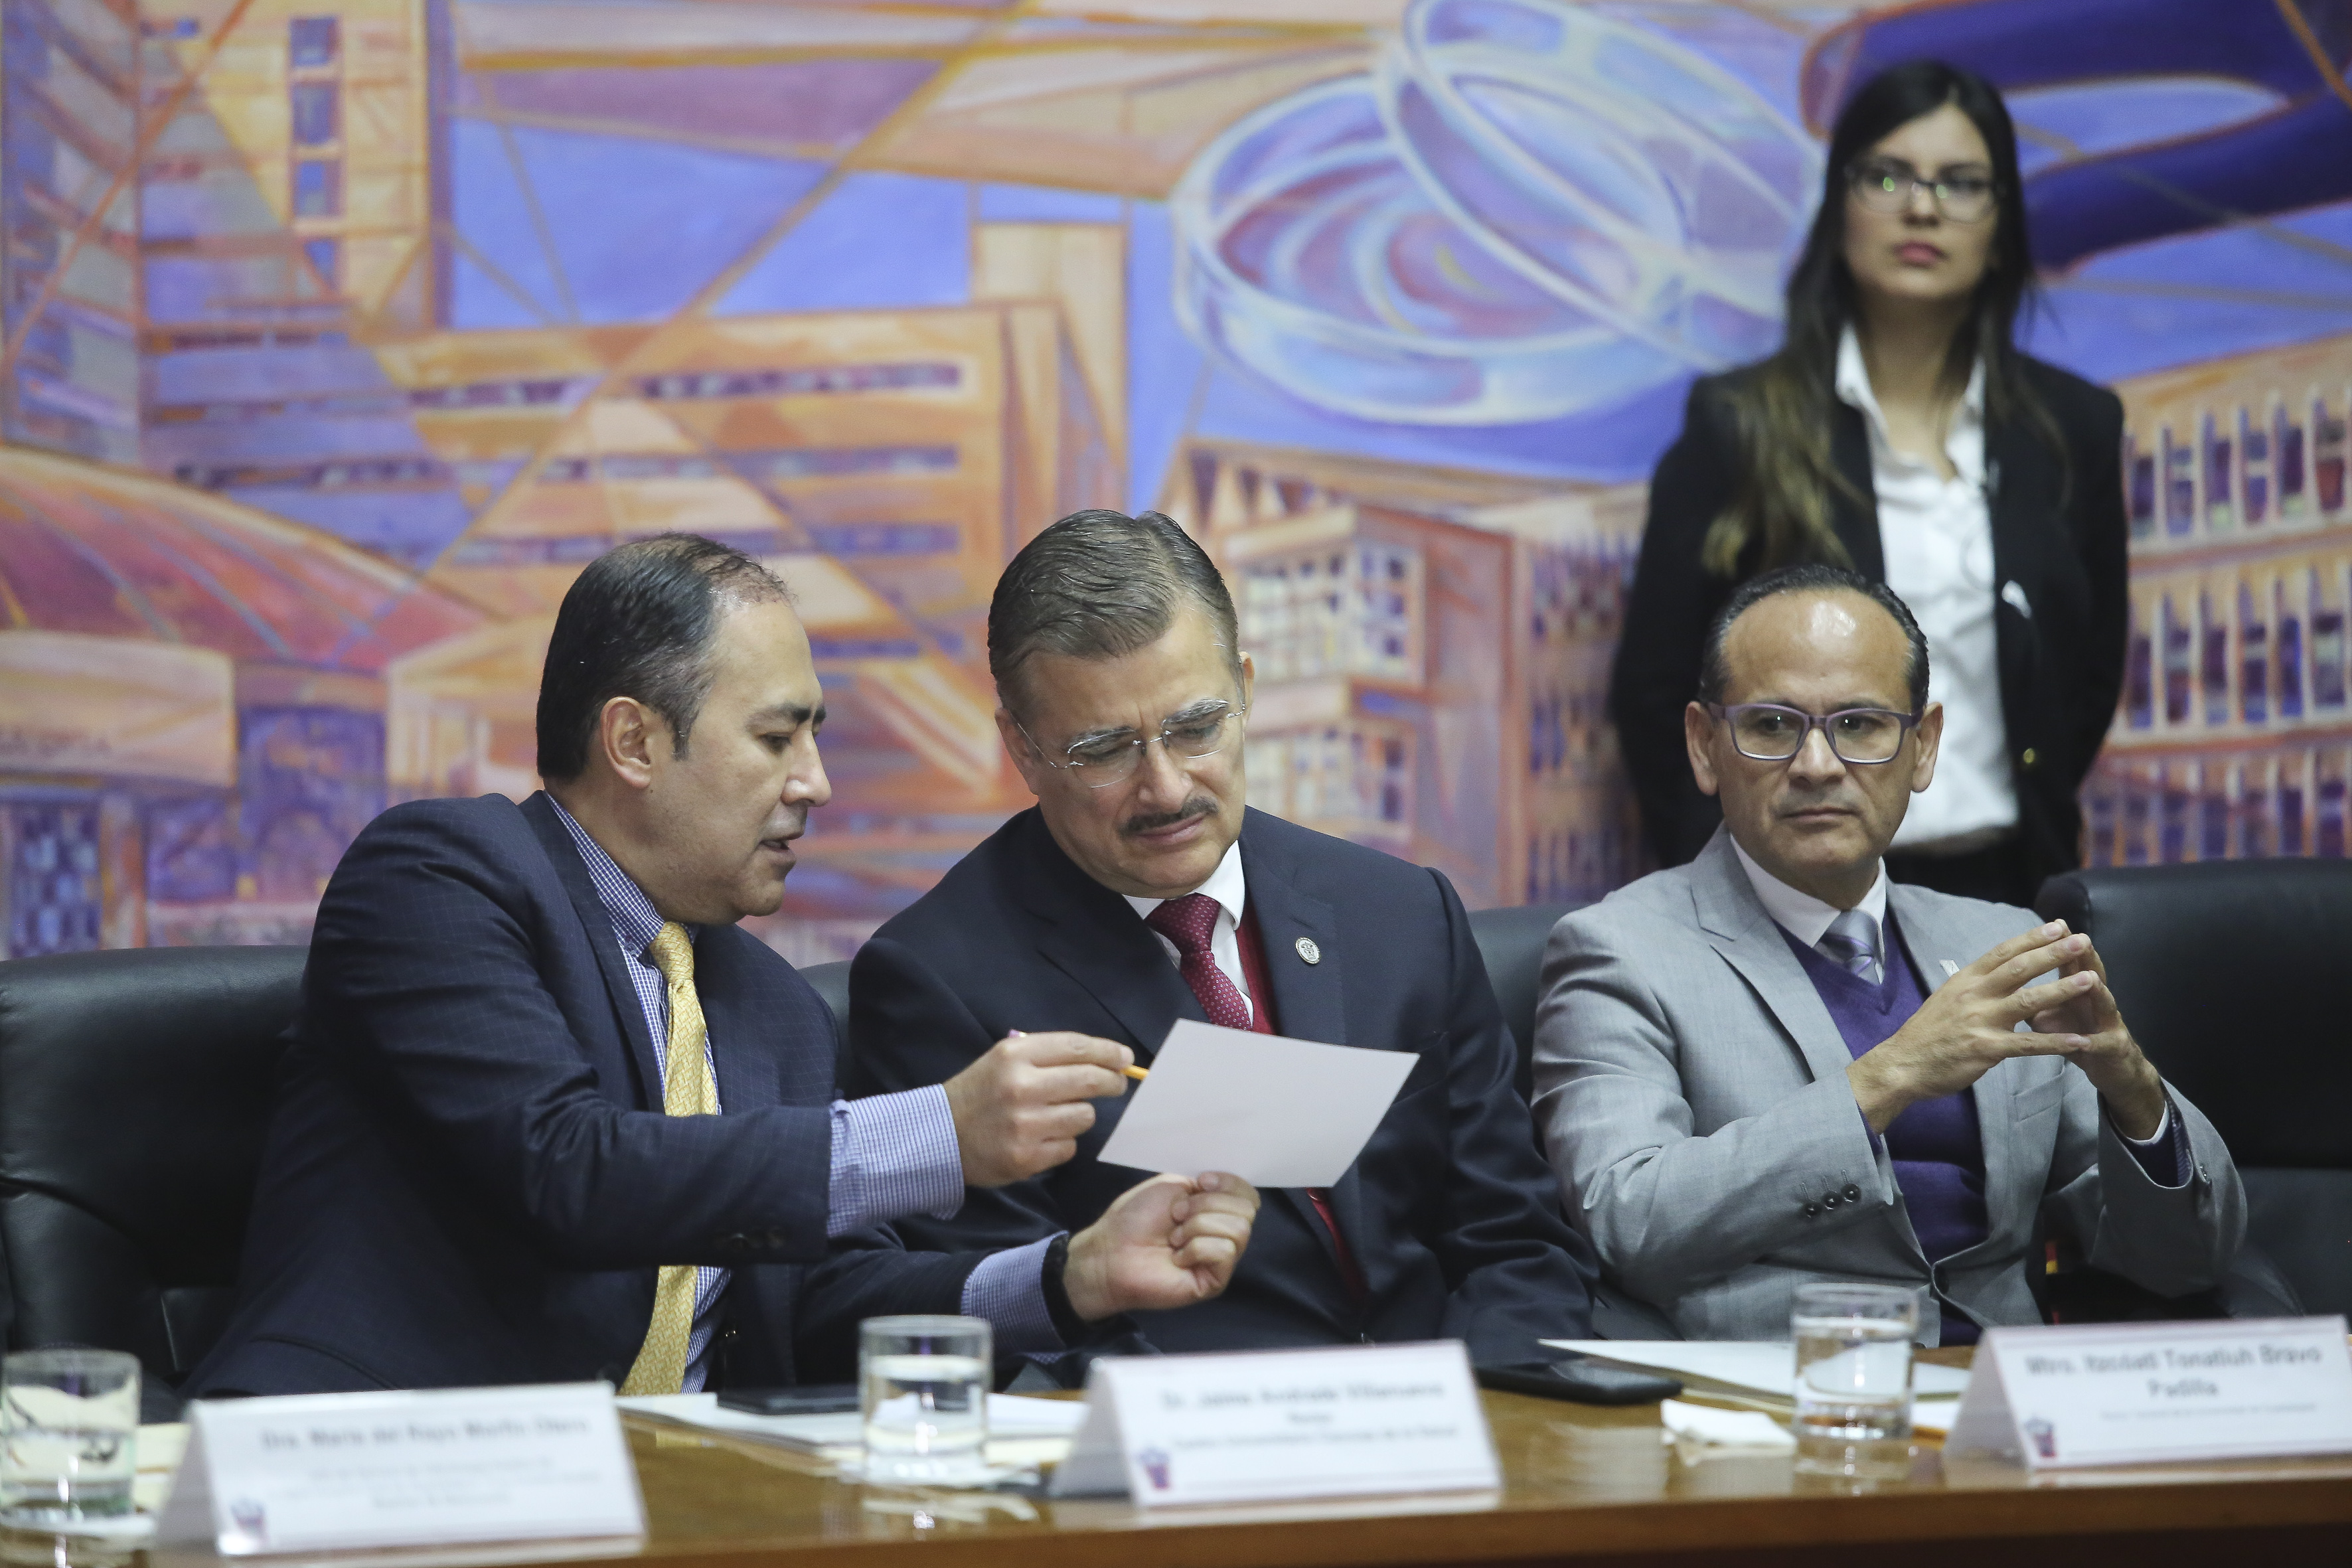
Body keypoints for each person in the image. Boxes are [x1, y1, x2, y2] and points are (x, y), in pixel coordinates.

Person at [189, 534, 1259, 1397]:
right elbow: (566, 1169)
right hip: (378, 1476)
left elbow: (827, 1314)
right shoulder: (442, 877)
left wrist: (1066, 1277)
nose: (817, 782)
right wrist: (939, 1130)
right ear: (635, 742)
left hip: (683, 1509)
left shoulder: (771, 1008)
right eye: (777, 737)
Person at [843, 509, 1598, 1383]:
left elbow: (1514, 1245)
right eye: (1102, 750)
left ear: (1244, 687)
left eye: (1194, 728)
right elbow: (1013, 1323)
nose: (1164, 787)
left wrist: (1485, 1426)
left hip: (1453, 1429)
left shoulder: (1398, 915)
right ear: (1020, 744)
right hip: (1180, 1462)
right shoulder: (940, 981)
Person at [1537, 565, 2241, 1343]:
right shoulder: (1619, 951)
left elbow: (2188, 1260)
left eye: (1860, 724)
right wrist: (1891, 1075)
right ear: (1706, 747)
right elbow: (1627, 1225)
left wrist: (2134, 1090)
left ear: (1923, 747)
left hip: (2005, 1410)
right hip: (1775, 1417)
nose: (1817, 765)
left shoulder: (2001, 946)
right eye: (1772, 726)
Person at [1610, 58, 2127, 908]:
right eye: (1888, 177)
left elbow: (2086, 680)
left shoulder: (2071, 429)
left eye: (1962, 183)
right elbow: (1658, 690)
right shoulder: (1743, 423)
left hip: (2009, 887)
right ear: (1838, 205)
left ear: (2001, 224)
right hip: (1789, 889)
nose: (1923, 207)